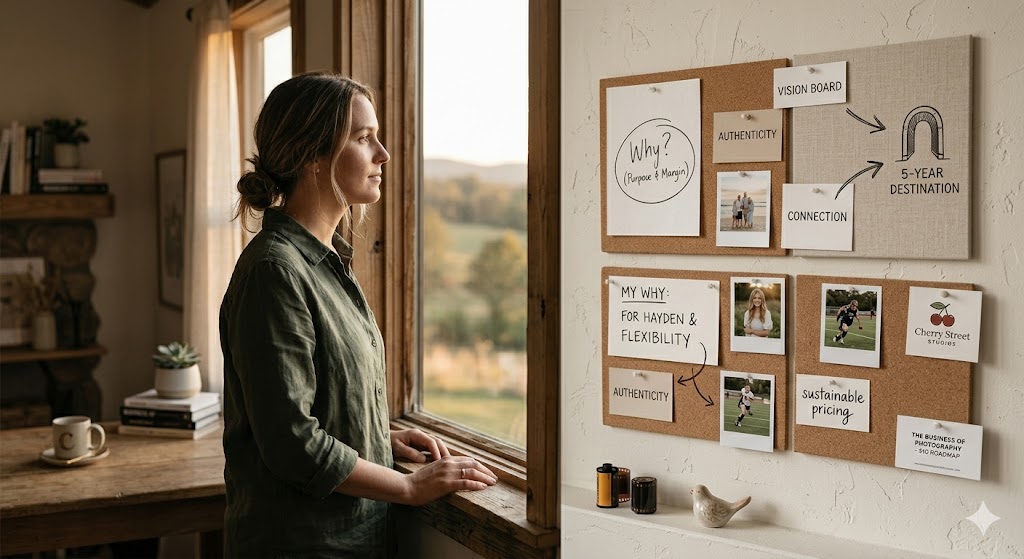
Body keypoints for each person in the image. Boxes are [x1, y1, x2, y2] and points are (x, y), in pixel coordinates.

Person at [220, 72, 496, 558]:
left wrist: (379, 436)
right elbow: (291, 443)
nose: (382, 154)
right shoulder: (275, 272)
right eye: (364, 138)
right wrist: (410, 487)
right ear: (312, 155)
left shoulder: (328, 263)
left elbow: (317, 399)